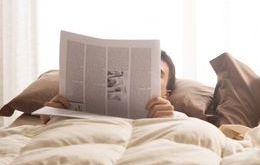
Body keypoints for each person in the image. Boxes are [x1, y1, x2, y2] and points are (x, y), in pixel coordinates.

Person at [41, 50, 183, 123]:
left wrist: (167, 123)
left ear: (166, 95)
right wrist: (52, 117)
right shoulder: (71, 113)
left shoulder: (178, 119)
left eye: (157, 73)